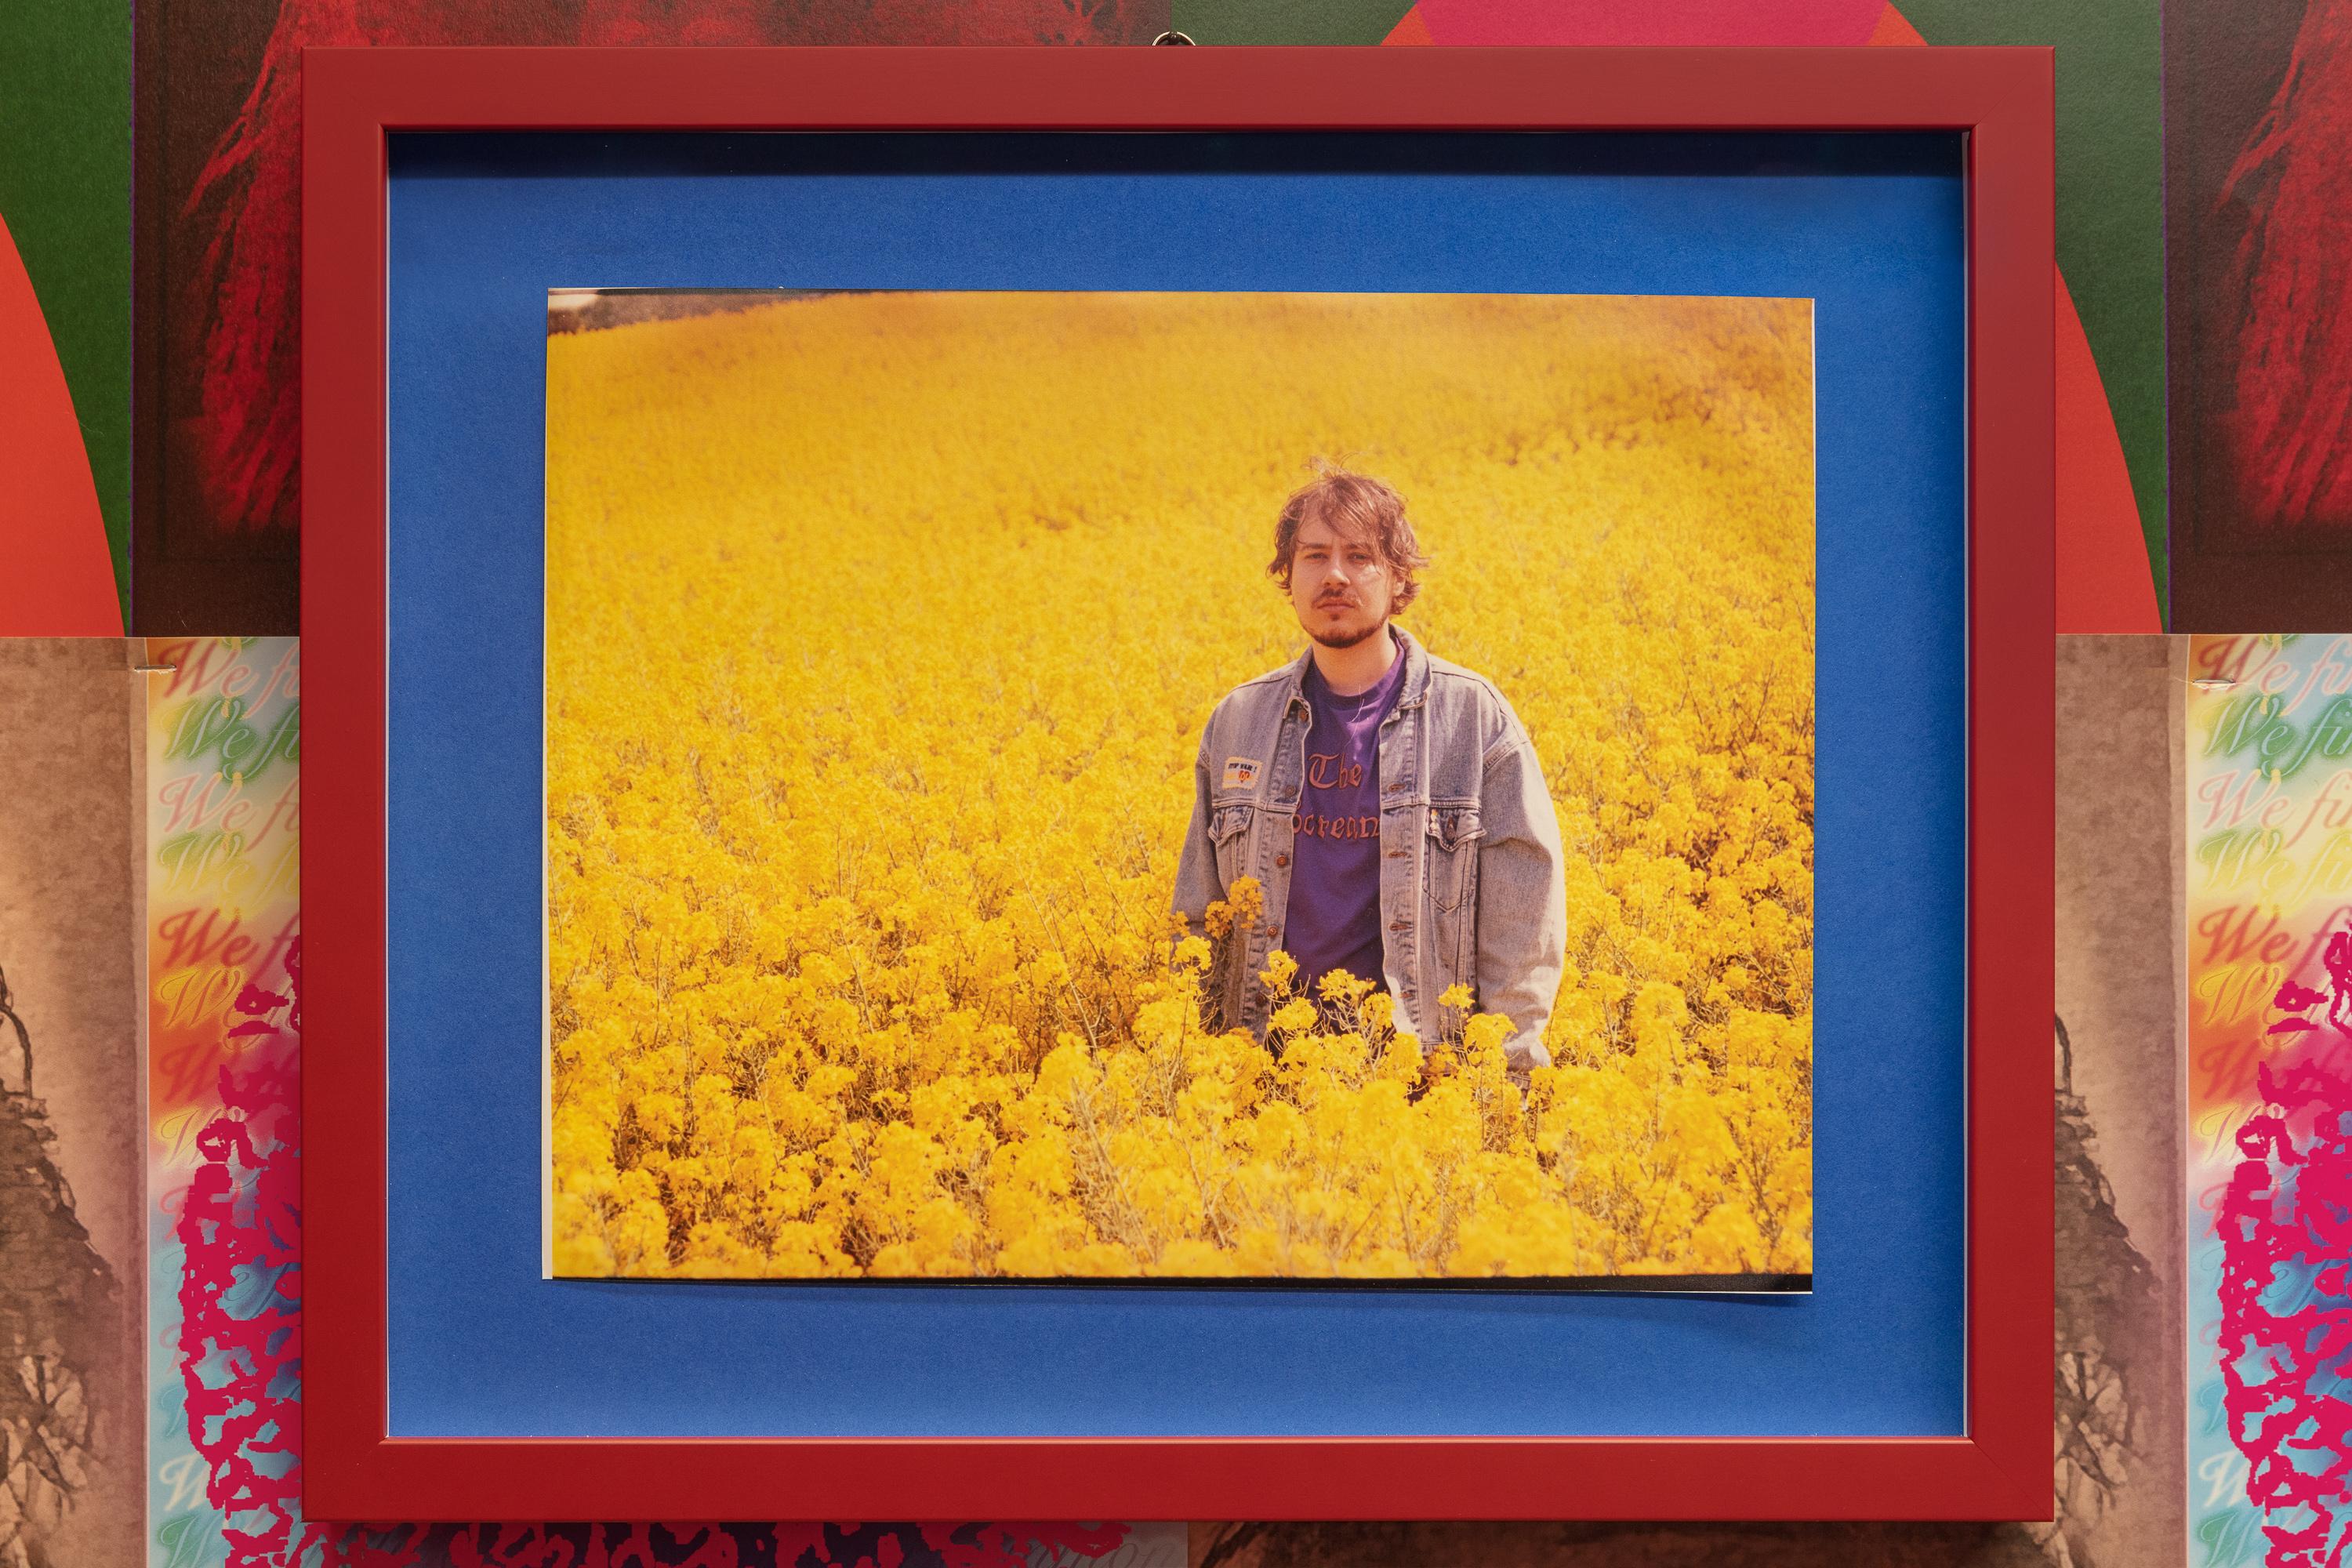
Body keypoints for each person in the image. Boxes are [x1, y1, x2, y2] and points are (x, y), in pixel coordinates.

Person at [1171, 469, 1568, 1071]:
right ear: (1289, 575)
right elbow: (1199, 920)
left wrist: (1497, 1088)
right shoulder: (1238, 723)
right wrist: (1194, 1074)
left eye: (1360, 556)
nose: (1335, 575)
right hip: (1259, 1077)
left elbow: (1523, 931)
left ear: (1398, 577)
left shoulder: (1472, 721)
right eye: (1314, 556)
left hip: (1417, 1082)